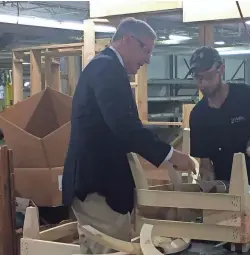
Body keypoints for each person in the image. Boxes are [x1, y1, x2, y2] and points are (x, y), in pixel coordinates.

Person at [62, 17, 195, 254]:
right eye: (145, 50)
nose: (147, 59)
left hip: (100, 182)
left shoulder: (107, 68)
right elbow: (124, 125)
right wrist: (171, 155)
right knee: (109, 247)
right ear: (126, 40)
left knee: (101, 246)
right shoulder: (106, 68)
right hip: (98, 184)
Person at [188, 46, 250, 184]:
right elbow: (205, 163)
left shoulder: (248, 97)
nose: (202, 83)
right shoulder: (198, 115)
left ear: (221, 70)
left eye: (208, 76)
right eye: (197, 77)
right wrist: (207, 180)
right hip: (225, 191)